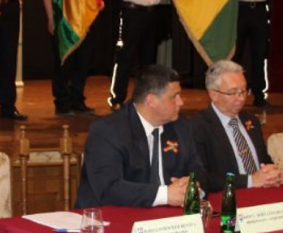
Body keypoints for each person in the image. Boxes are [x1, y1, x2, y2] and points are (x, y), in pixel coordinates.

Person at [76, 65, 206, 208]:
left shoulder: (181, 127)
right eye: (174, 97)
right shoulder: (107, 131)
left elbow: (197, 169)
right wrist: (165, 195)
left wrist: (191, 185)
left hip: (168, 216)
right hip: (113, 215)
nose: (181, 102)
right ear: (151, 101)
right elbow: (109, 189)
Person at [190, 60, 282, 192]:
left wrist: (271, 172)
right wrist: (250, 181)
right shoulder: (198, 126)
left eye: (243, 91)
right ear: (213, 94)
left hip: (263, 194)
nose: (241, 98)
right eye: (233, 92)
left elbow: (264, 160)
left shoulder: (251, 121)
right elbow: (203, 178)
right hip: (228, 197)